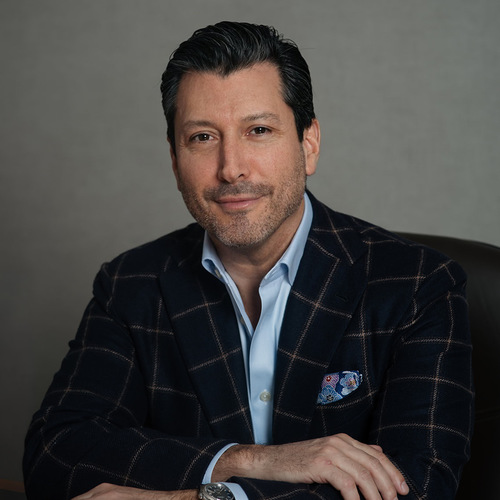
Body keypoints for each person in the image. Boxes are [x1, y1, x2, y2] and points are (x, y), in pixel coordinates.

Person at [23, 21, 473, 500]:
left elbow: (420, 486)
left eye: (258, 130)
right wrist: (246, 460)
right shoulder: (130, 285)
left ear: (308, 143)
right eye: (202, 137)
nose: (231, 168)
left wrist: (200, 498)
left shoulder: (418, 285)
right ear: (175, 160)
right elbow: (55, 455)